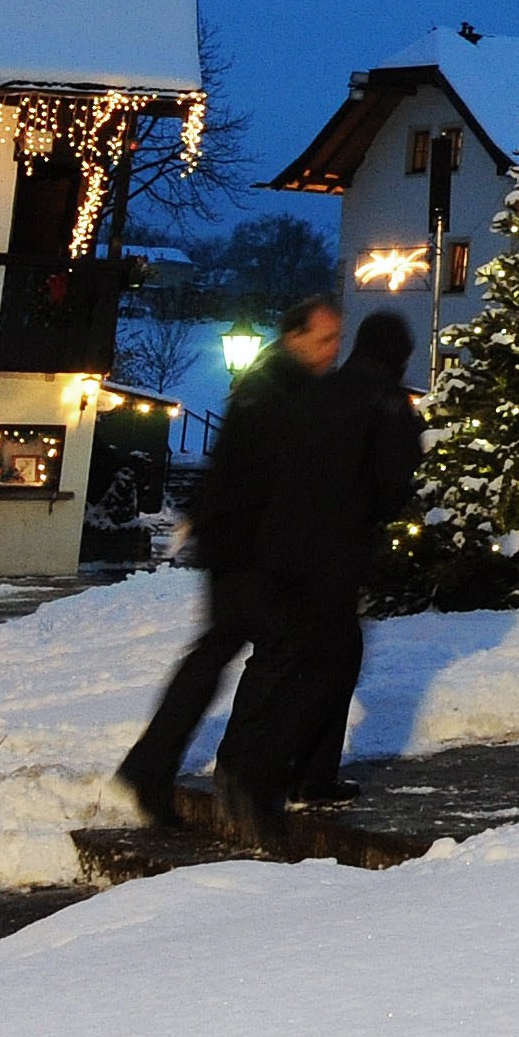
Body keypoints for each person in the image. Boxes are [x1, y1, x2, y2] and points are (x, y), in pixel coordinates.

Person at [115, 293, 339, 828]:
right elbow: (265, 476)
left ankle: (156, 766)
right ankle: (240, 775)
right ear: (295, 336)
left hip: (242, 546)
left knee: (219, 654)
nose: (333, 349)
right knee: (277, 654)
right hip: (252, 550)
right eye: (325, 337)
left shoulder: (273, 387)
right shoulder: (277, 392)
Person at [224, 308, 423, 811]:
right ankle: (299, 775)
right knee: (333, 659)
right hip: (336, 551)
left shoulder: (320, 390)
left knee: (277, 654)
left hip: (280, 545)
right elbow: (394, 485)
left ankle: (244, 763)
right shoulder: (390, 403)